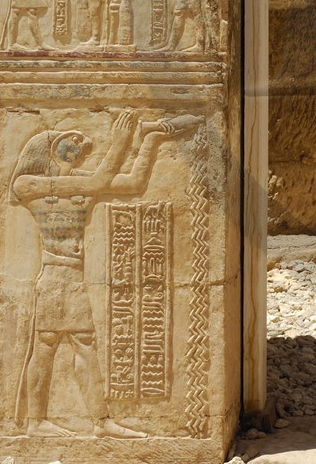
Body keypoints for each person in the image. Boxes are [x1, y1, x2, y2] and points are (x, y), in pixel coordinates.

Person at [11, 112, 190, 437]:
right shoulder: (29, 184)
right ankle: (36, 422)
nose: (79, 146)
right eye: (71, 142)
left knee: (84, 344)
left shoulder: (78, 183)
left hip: (73, 279)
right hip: (53, 278)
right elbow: (97, 181)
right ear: (49, 149)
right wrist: (121, 143)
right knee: (46, 345)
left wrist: (151, 140)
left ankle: (100, 421)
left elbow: (134, 183)